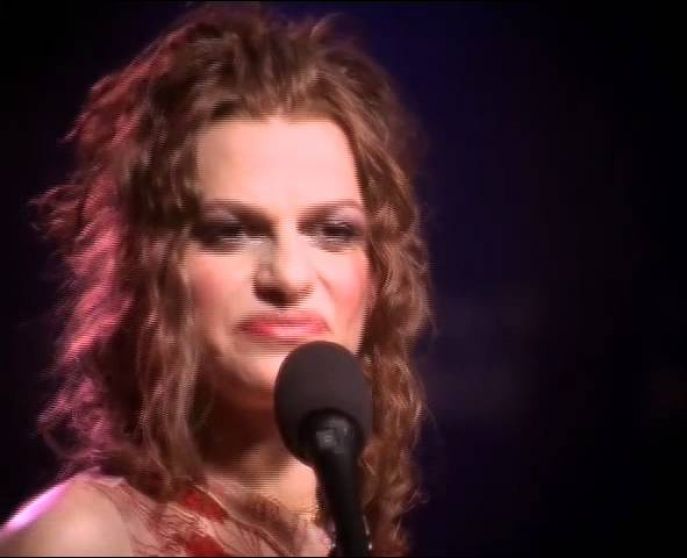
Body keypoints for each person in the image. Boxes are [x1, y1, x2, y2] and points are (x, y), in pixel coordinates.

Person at [0, 2, 431, 556]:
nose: (289, 276)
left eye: (332, 231)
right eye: (231, 232)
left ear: (377, 272)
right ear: (149, 266)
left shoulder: (351, 538)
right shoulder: (82, 538)